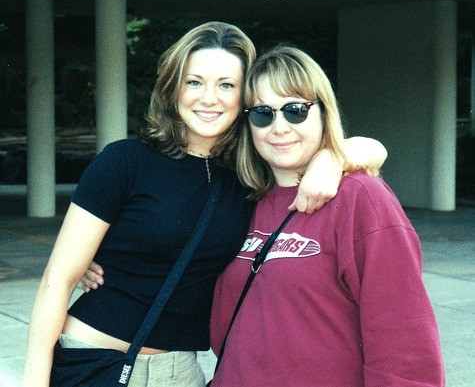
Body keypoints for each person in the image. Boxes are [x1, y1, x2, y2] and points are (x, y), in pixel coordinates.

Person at [23, 22, 386, 387]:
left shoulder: (250, 173)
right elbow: (57, 281)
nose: (209, 98)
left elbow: (373, 148)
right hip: (91, 361)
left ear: (246, 97)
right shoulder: (125, 162)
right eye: (194, 82)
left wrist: (331, 159)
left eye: (226, 85)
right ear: (173, 87)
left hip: (179, 373)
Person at [209, 45, 445, 386]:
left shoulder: (361, 198)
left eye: (295, 110)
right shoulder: (242, 200)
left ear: (323, 112)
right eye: (263, 113)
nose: (279, 127)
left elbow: (405, 341)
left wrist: (335, 157)